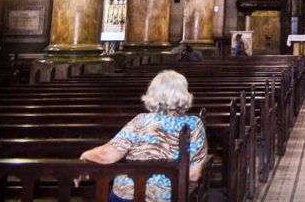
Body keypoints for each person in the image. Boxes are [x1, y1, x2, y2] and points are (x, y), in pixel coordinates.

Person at [79, 70, 208, 202]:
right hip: (170, 196)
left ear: (152, 93)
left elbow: (107, 155)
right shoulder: (194, 124)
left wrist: (86, 155)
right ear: (184, 94)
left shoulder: (140, 121)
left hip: (129, 195)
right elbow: (194, 174)